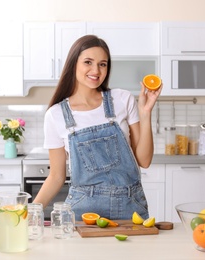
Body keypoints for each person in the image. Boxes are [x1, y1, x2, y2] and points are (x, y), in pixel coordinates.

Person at [33, 35, 162, 221]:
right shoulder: (56, 115)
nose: (96, 70)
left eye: (102, 64)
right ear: (73, 64)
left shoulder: (123, 99)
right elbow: (55, 176)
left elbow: (144, 160)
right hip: (82, 212)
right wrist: (30, 212)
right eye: (88, 62)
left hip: (130, 207)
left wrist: (145, 112)